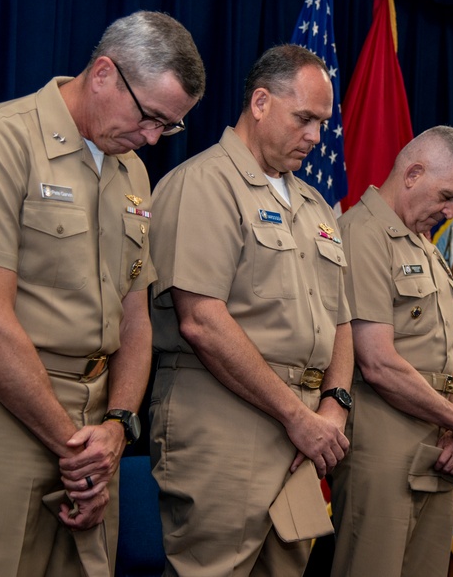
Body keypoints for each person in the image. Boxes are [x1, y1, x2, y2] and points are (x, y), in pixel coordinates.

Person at [0, 11, 205, 576]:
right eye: (149, 117)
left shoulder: (132, 174)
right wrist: (79, 451)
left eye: (168, 128)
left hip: (93, 425)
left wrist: (118, 426)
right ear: (102, 73)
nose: (151, 138)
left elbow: (135, 320)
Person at [148, 43, 353, 577]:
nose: (315, 136)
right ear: (260, 102)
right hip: (224, 424)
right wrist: (296, 416)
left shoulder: (313, 205)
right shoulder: (204, 184)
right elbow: (201, 321)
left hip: (303, 433)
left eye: (322, 123)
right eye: (304, 118)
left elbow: (342, 320)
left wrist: (332, 406)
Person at [330, 126, 453, 577]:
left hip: (435, 439)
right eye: (446, 196)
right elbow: (376, 361)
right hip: (382, 442)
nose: (450, 211)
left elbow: (449, 349)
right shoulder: (362, 234)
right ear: (413, 173)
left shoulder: (423, 243)